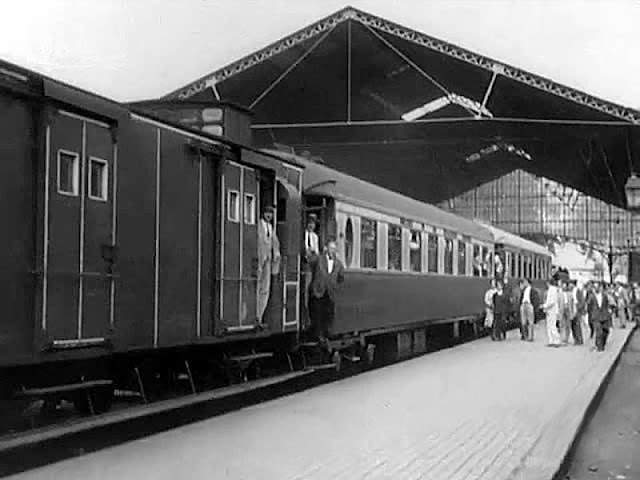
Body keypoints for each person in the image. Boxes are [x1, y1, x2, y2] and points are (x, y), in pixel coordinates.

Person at [308, 237, 344, 342]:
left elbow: (341, 277)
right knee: (317, 312)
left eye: (334, 248)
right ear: (326, 248)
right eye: (330, 248)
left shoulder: (338, 263)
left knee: (328, 313)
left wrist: (334, 285)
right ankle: (318, 334)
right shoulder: (319, 259)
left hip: (330, 291)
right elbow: (310, 263)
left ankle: (327, 332)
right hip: (318, 290)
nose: (332, 250)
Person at [257, 205, 281, 323]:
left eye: (271, 213)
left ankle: (260, 315)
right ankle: (255, 314)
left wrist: (276, 254)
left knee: (265, 288)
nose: (269, 215)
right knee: (257, 286)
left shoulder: (271, 228)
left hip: (268, 260)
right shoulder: (258, 225)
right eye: (267, 213)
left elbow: (275, 242)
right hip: (260, 259)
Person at [302, 213, 320, 329]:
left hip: (313, 264)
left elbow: (317, 251)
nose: (311, 226)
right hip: (305, 264)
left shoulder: (315, 237)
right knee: (305, 290)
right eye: (309, 223)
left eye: (313, 224)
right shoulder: (303, 235)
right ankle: (305, 314)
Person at [586, 281, 612, 352]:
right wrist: (590, 315)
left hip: (604, 316)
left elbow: (607, 305)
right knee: (598, 331)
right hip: (595, 316)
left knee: (606, 331)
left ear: (601, 288)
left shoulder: (604, 295)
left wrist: (608, 313)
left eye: (598, 287)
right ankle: (599, 347)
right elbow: (589, 306)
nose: (597, 288)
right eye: (595, 287)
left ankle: (602, 344)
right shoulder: (591, 296)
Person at [542, 277, 563, 347]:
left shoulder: (552, 290)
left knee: (552, 325)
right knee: (550, 325)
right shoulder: (554, 289)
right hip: (551, 310)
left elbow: (551, 301)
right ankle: (551, 340)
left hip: (551, 310)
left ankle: (556, 341)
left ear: (548, 283)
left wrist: (544, 306)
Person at [568, 280, 585, 345]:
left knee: (577, 325)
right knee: (573, 325)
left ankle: (579, 340)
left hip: (577, 310)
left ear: (573, 284)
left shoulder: (578, 291)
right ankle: (576, 339)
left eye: (570, 284)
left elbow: (582, 301)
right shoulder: (570, 291)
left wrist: (579, 308)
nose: (569, 286)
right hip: (572, 310)